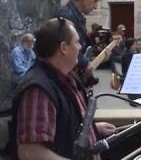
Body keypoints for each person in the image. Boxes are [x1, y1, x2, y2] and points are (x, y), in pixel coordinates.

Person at [11, 18, 116, 160]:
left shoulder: (64, 76)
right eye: (77, 42)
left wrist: (93, 129)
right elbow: (31, 152)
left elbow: (62, 124)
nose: (80, 48)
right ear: (63, 48)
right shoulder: (39, 90)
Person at [56, 0, 106, 86]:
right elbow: (68, 49)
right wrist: (85, 64)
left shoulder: (75, 16)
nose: (96, 6)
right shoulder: (68, 16)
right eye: (95, 1)